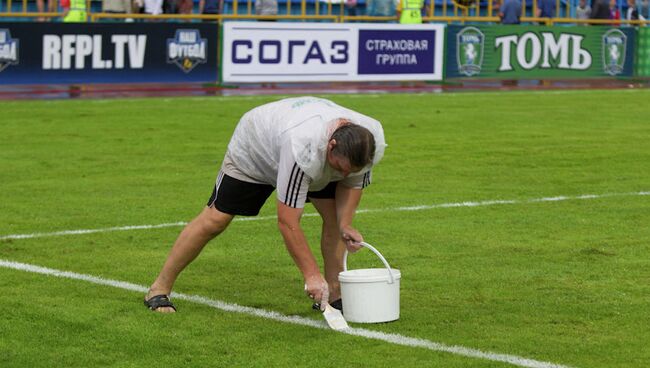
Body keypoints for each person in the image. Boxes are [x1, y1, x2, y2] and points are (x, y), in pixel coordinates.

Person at [144, 97, 387, 313]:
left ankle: (333, 295)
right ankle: (158, 289)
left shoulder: (369, 142)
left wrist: (346, 224)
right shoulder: (303, 146)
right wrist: (311, 275)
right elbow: (288, 222)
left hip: (311, 154)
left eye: (349, 170)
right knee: (215, 220)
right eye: (341, 168)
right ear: (331, 146)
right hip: (256, 150)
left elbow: (350, 183)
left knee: (334, 222)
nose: (343, 175)